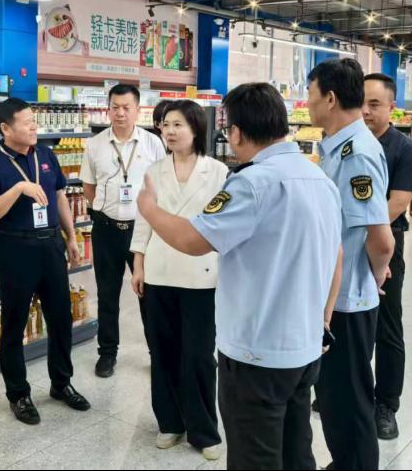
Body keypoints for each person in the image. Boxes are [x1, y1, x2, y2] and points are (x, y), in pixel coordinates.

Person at [136, 83, 343, 470]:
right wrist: (324, 318)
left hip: (257, 353)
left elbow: (193, 239)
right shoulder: (319, 179)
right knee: (296, 450)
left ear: (237, 132)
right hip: (304, 346)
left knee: (255, 456)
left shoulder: (250, 183)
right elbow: (337, 256)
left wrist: (148, 208)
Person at [0, 98, 91, 425]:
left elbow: (59, 197)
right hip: (15, 247)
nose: (34, 126)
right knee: (14, 322)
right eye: (26, 122)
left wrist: (71, 237)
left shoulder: (46, 154)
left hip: (51, 245)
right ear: (5, 128)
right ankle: (18, 394)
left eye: (33, 120)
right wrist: (18, 189)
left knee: (61, 317)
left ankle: (61, 383)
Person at [307, 58, 395, 470]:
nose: (306, 103)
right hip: (335, 294)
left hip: (348, 300)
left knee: (350, 397)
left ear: (330, 98)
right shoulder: (338, 146)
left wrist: (374, 276)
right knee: (333, 395)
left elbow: (380, 237)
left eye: (310, 94)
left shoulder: (356, 153)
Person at [130, 100, 229, 461]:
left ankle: (204, 430)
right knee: (163, 350)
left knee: (199, 355)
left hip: (202, 274)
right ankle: (170, 422)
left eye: (177, 125)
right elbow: (144, 218)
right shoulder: (154, 171)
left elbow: (223, 224)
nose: (169, 132)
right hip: (160, 271)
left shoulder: (217, 171)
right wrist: (138, 263)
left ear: (196, 128)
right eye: (165, 125)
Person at [79, 84, 166, 378]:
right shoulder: (95, 144)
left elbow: (161, 185)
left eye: (126, 107)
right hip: (106, 229)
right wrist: (105, 210)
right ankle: (107, 353)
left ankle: (158, 353)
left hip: (142, 230)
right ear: (108, 109)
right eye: (115, 107)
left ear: (138, 110)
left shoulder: (153, 143)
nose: (120, 113)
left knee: (149, 294)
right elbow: (88, 187)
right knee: (107, 294)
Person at [362, 73, 412, 440]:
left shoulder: (405, 150)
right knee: (347, 320)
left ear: (392, 107)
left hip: (386, 241)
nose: (366, 111)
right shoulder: (344, 144)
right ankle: (347, 388)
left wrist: (358, 230)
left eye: (374, 104)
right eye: (361, 103)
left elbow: (396, 204)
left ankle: (386, 404)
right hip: (346, 242)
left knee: (386, 325)